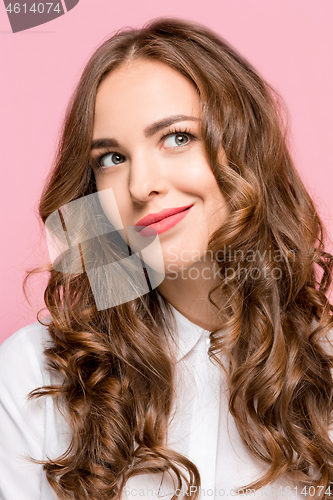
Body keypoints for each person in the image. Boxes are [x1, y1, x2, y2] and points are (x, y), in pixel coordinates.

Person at [0, 17, 333, 500]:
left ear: (246, 149)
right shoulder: (32, 375)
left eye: (177, 137)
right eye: (112, 158)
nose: (140, 186)